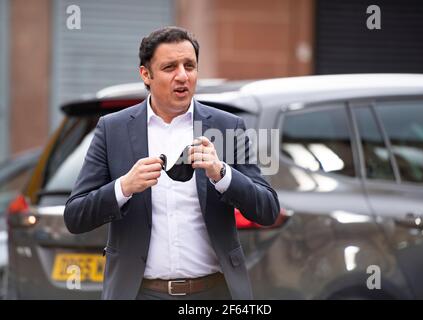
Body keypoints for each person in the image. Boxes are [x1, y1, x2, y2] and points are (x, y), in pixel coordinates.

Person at [64, 26, 280, 300]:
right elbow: (75, 216)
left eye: (189, 66)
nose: (182, 76)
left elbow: (268, 209)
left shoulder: (226, 127)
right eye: (169, 67)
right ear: (146, 74)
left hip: (214, 292)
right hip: (140, 293)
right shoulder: (112, 129)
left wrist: (222, 173)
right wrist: (124, 187)